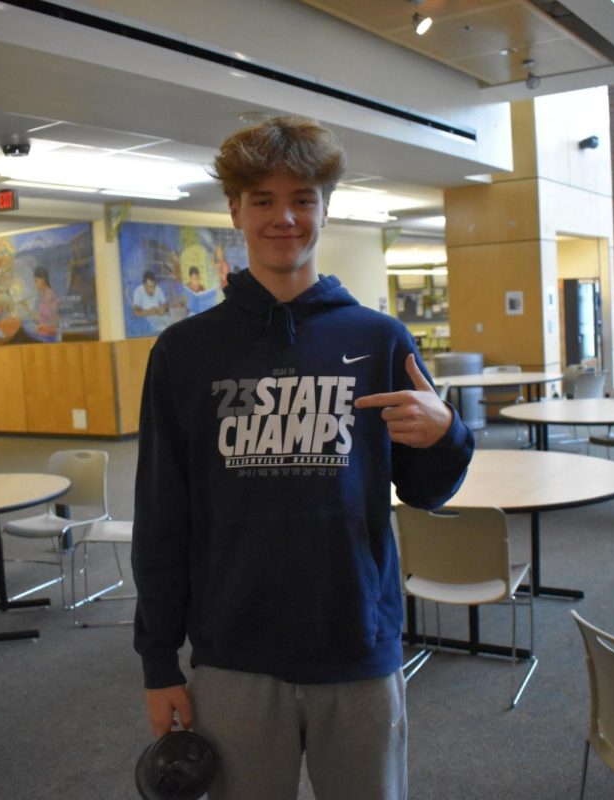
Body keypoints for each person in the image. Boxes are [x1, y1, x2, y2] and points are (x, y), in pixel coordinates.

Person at [132, 116, 474, 800]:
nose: (284, 217)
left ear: (325, 206)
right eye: (262, 200)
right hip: (233, 652)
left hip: (356, 645)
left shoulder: (379, 337)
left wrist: (447, 436)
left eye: (302, 198)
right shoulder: (184, 352)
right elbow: (163, 516)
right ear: (234, 210)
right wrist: (159, 660)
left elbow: (427, 493)